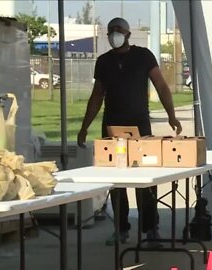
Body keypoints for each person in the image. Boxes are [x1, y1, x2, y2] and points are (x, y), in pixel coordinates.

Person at [77, 17, 182, 246]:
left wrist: (171, 116)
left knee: (145, 178)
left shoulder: (143, 56)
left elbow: (161, 86)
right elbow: (97, 96)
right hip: (112, 126)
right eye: (111, 30)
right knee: (116, 179)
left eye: (119, 30)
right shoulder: (103, 62)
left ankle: (150, 228)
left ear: (127, 33)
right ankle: (120, 228)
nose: (115, 33)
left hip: (140, 125)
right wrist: (84, 127)